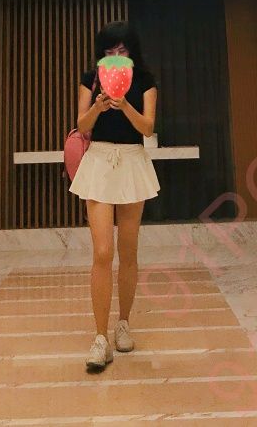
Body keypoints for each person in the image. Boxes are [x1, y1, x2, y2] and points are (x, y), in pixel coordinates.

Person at [68, 20, 160, 373]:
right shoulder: (90, 78)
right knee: (103, 252)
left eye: (122, 50)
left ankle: (123, 323)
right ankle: (99, 337)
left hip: (132, 161)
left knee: (129, 251)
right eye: (109, 51)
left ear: (132, 51)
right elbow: (82, 125)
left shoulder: (145, 80)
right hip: (99, 161)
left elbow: (148, 128)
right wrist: (99, 106)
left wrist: (124, 106)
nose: (116, 56)